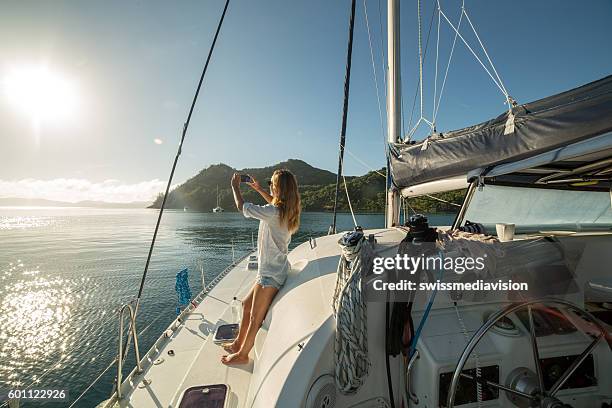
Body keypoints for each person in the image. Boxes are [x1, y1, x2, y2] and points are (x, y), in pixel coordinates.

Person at [221, 169, 301, 365]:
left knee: (256, 317)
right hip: (270, 270)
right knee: (246, 305)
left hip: (271, 275)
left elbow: (242, 207)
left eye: (271, 183)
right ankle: (237, 343)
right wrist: (258, 189)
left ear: (279, 188)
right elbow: (274, 201)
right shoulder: (285, 210)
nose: (269, 186)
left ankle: (243, 354)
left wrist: (235, 186)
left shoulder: (273, 213)